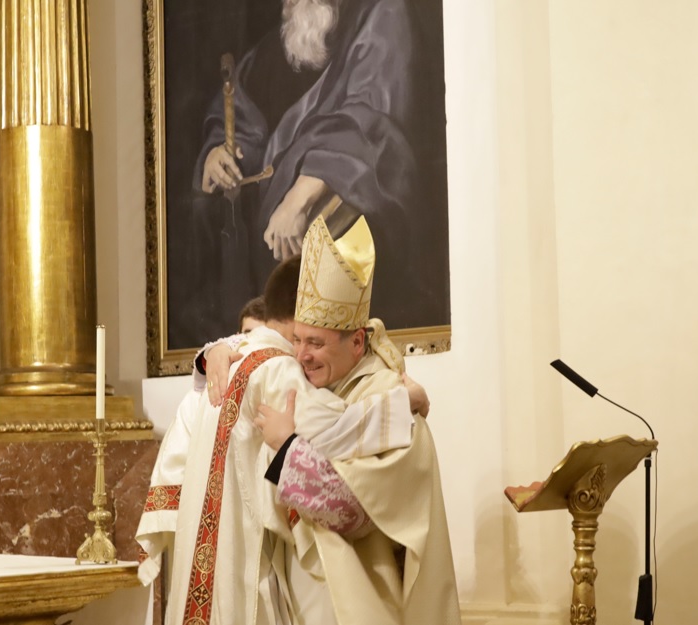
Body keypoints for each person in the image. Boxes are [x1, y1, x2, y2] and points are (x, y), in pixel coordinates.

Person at [135, 251, 427, 625]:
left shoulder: (211, 378)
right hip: (243, 564)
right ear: (300, 318)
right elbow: (337, 427)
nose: (304, 353)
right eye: (304, 337)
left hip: (198, 566)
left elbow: (170, 476)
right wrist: (406, 404)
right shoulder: (278, 370)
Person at [206, 215, 462, 624]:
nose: (301, 355)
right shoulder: (318, 388)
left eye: (316, 343)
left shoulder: (388, 397)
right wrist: (218, 350)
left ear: (357, 341)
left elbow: (353, 512)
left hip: (362, 600)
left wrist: (287, 447)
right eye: (297, 340)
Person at [187, 0, 449, 342]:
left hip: (352, 255)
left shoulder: (380, 14)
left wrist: (298, 197)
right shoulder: (282, 42)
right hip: (266, 264)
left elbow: (370, 121)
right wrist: (218, 153)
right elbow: (244, 117)